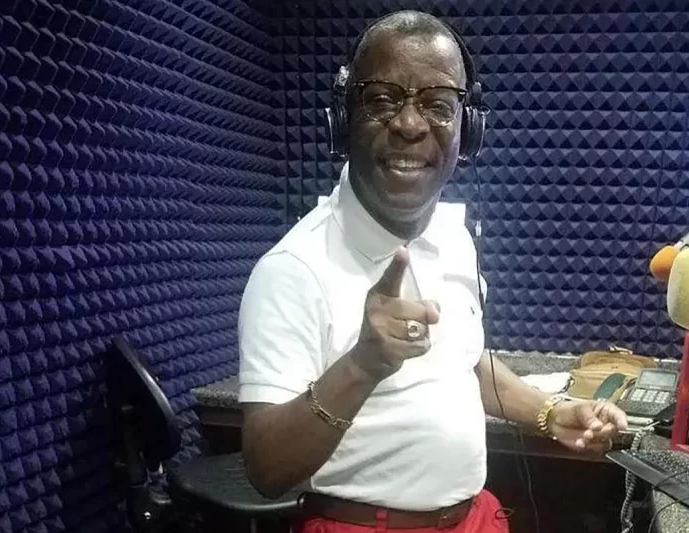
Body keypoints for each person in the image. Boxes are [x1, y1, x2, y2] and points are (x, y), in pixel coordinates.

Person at [238, 10, 628, 533]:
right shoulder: (292, 270)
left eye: (438, 105)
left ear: (468, 130)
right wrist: (362, 365)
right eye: (381, 100)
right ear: (343, 121)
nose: (410, 124)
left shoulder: (452, 235)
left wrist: (550, 412)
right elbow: (266, 470)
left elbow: (465, 363)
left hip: (475, 518)